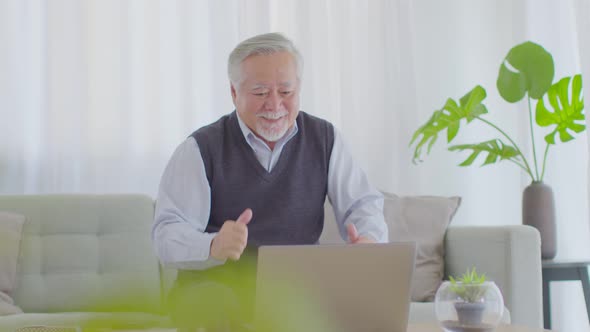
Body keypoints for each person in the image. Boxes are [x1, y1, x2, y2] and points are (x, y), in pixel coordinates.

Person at [152, 32, 388, 331]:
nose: (275, 104)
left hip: (296, 288)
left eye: (286, 92)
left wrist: (368, 239)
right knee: (215, 303)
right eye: (261, 92)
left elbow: (363, 204)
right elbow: (166, 234)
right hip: (214, 287)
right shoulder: (200, 149)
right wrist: (212, 244)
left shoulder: (325, 139)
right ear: (234, 93)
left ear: (299, 90)